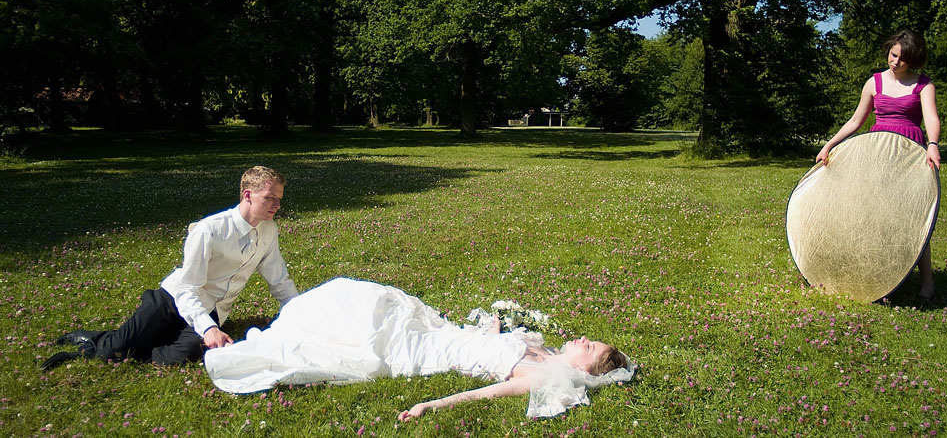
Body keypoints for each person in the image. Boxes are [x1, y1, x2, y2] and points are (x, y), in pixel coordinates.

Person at [203, 277, 634, 419]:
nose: (582, 338)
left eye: (589, 346)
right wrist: (497, 329)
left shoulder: (540, 375)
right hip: (438, 330)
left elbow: (486, 392)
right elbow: (487, 343)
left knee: (351, 337)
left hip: (421, 351)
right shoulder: (539, 347)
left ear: (588, 369)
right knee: (350, 297)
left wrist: (432, 404)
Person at [41, 166, 299, 370]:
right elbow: (187, 287)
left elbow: (279, 279)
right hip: (172, 299)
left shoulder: (269, 230)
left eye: (279, 199)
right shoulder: (210, 230)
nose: (277, 205)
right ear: (247, 195)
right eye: (270, 198)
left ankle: (134, 344)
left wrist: (300, 312)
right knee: (112, 351)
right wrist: (208, 329)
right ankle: (93, 340)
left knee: (183, 355)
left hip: (213, 309)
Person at [815, 29, 941, 299]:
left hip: (910, 153)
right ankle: (877, 272)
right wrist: (829, 145)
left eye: (902, 59)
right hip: (878, 153)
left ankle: (926, 281)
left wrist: (933, 144)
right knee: (875, 214)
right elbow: (855, 121)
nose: (895, 62)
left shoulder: (923, 84)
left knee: (915, 217)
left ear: (913, 61)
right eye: (893, 55)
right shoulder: (874, 83)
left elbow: (931, 117)